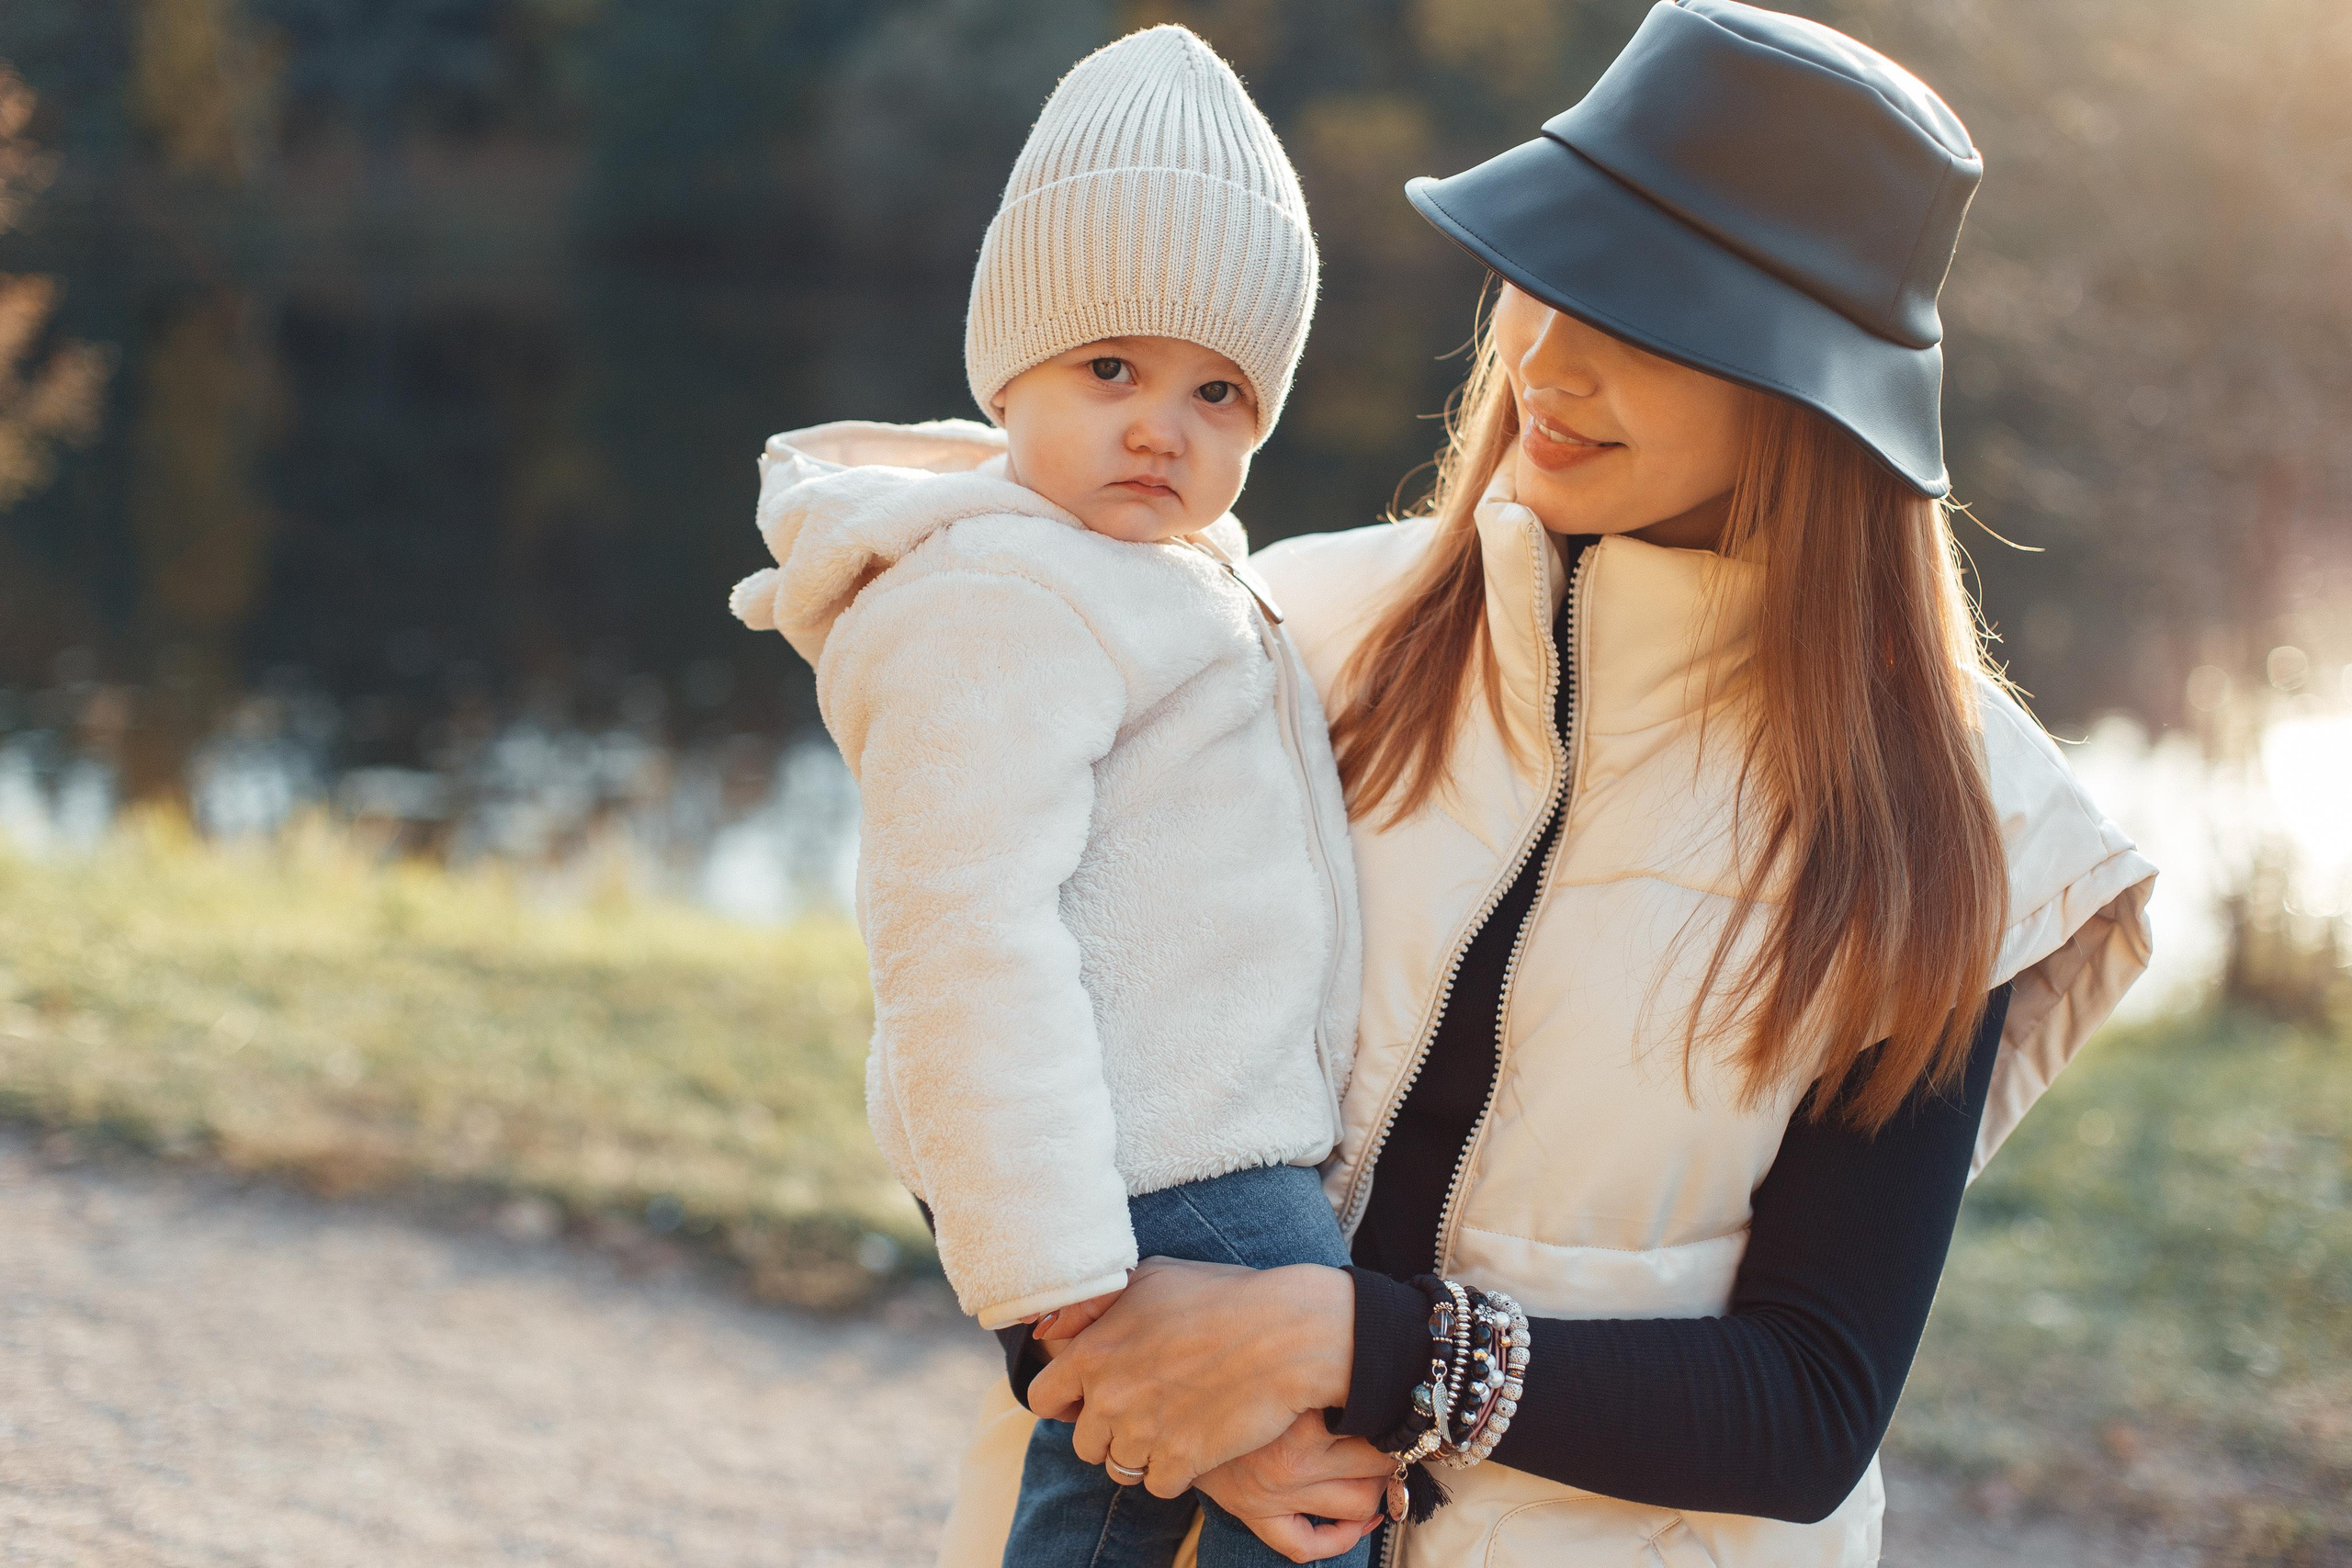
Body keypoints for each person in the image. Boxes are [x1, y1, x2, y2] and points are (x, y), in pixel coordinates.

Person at [934, 4, 2158, 1565]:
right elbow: (980, 1049)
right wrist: (1142, 1404)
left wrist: (1343, 1350)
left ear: (1806, 392)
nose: (1548, 363)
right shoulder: (1275, 633)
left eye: (1643, 319)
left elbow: (1810, 1405)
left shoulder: (1961, 822)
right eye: (1544, 276)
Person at [729, 24, 1372, 1568]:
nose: (1164, 424)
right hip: (1157, 1173)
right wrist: (1070, 1289)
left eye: (1222, 392)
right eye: (1111, 369)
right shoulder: (1000, 600)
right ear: (1007, 368)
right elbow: (958, 937)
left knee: (1119, 1510)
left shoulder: (1152, 573)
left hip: (1195, 1152)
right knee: (1323, 1506)